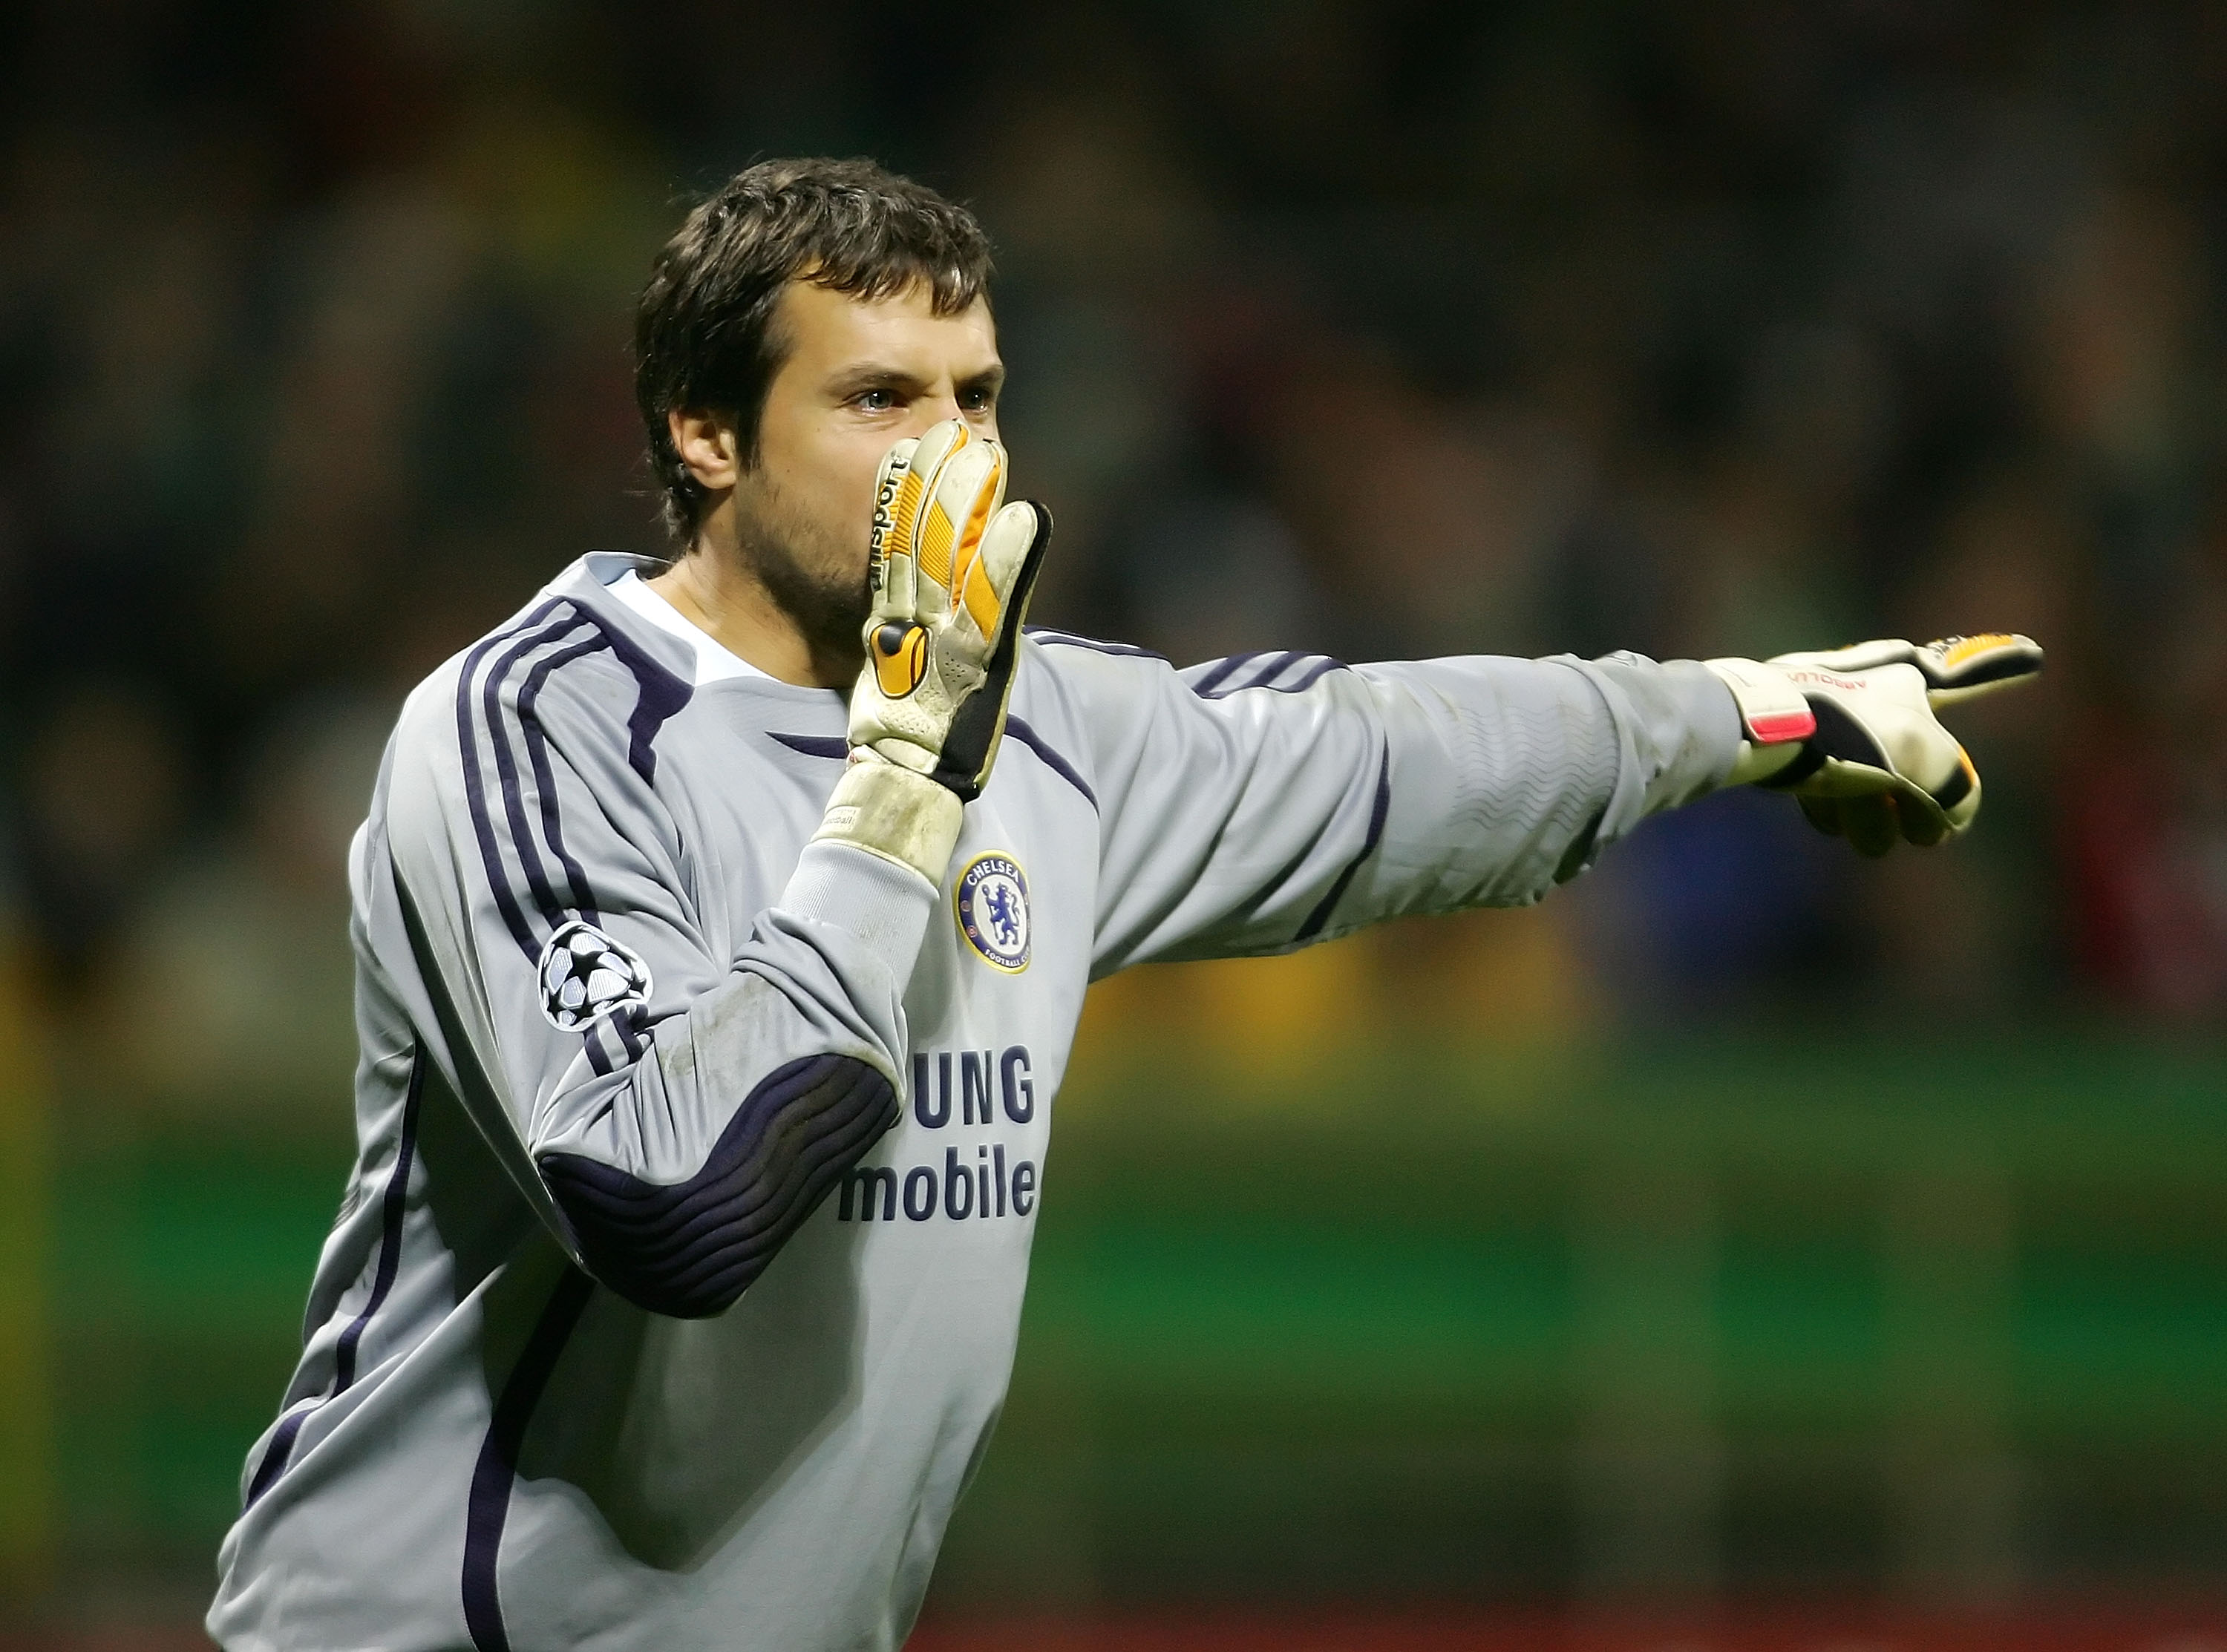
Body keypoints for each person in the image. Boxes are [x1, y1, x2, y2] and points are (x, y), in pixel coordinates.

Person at [208, 157, 2038, 1651]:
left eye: (977, 399)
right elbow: (674, 1198)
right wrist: (905, 787)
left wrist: (1747, 713)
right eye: (876, 401)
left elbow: (1392, 753)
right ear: (702, 431)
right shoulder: (531, 729)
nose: (953, 460)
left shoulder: (1048, 728)